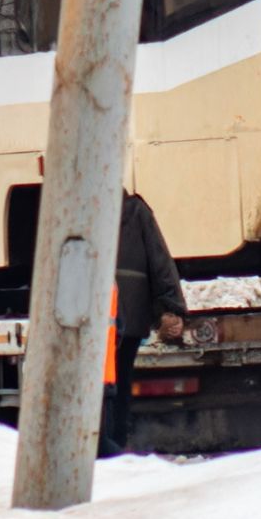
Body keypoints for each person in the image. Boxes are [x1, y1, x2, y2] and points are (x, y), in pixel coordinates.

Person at [101, 191, 187, 457]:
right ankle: (114, 444)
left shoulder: (74, 209)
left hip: (93, 321)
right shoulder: (135, 210)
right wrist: (169, 306)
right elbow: (159, 260)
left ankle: (103, 445)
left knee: (98, 388)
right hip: (128, 316)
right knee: (120, 383)